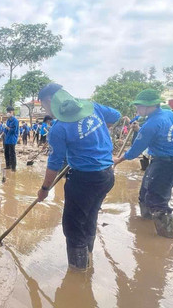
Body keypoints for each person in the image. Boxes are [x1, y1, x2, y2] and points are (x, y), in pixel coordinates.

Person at [36, 83, 120, 270]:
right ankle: (87, 261)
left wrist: (44, 189)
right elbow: (116, 115)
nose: (46, 111)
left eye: (44, 107)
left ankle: (78, 272)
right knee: (89, 218)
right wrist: (96, 136)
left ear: (50, 101)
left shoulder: (59, 128)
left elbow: (55, 163)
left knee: (73, 227)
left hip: (84, 180)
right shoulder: (93, 107)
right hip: (107, 175)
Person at [114, 89, 173, 239]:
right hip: (168, 161)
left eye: (139, 106)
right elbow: (160, 134)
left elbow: (134, 151)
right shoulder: (169, 114)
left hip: (165, 163)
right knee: (144, 193)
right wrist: (139, 130)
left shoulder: (151, 124)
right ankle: (145, 221)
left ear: (149, 106)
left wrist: (118, 160)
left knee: (157, 200)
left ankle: (168, 236)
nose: (137, 110)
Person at [4, 106, 19, 171]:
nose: (8, 113)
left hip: (12, 139)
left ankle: (13, 167)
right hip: (7, 139)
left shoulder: (15, 121)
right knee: (6, 152)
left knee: (12, 153)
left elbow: (14, 131)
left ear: (12, 112)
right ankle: (8, 165)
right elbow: (6, 130)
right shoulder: (8, 120)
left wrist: (7, 128)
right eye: (7, 112)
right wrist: (3, 129)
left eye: (10, 112)